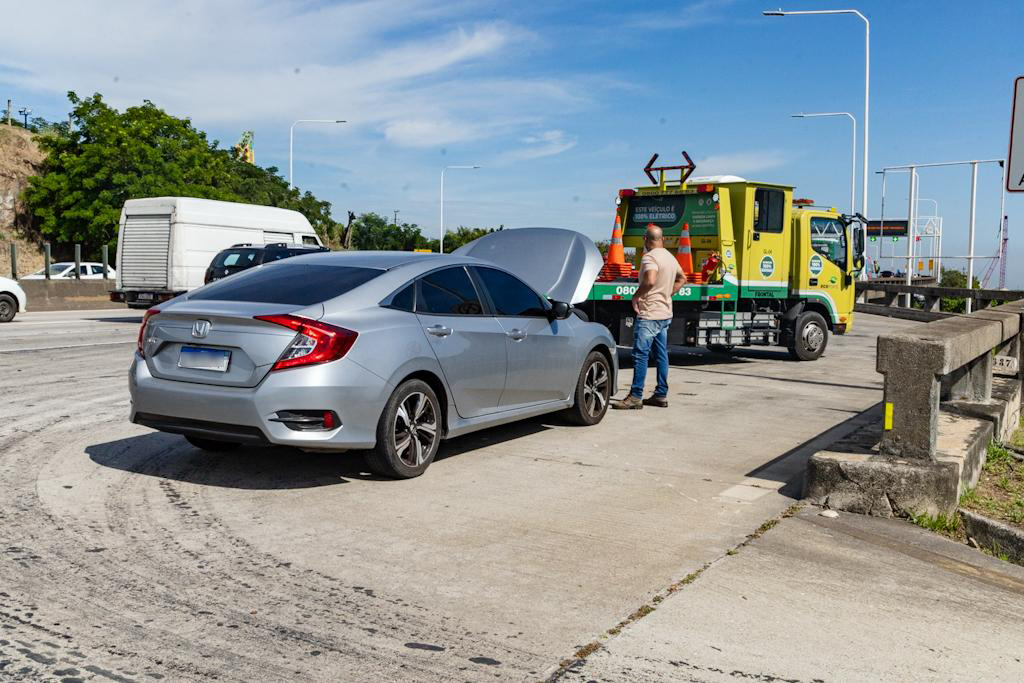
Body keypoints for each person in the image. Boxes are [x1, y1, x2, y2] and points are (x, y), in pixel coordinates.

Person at [612, 224, 685, 410]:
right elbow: (682, 278)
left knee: (640, 355)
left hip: (649, 314)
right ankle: (661, 394)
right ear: (662, 239)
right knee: (661, 354)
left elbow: (650, 280)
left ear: (646, 239)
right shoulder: (670, 257)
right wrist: (668, 293)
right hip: (665, 314)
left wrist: (637, 295)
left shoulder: (649, 257)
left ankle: (636, 395)